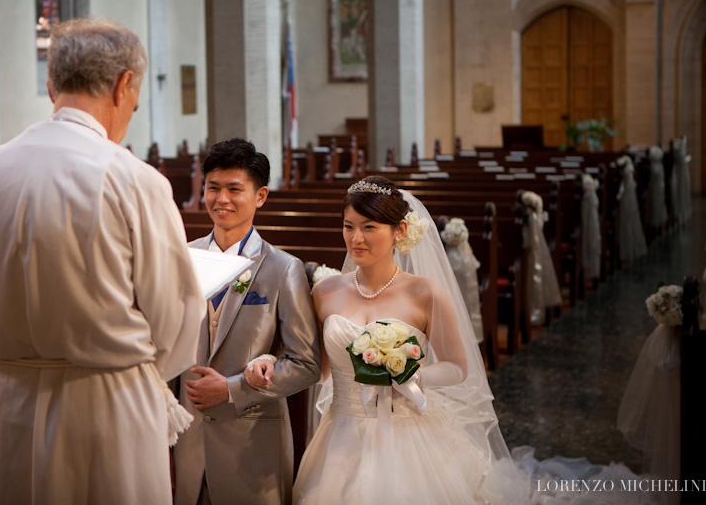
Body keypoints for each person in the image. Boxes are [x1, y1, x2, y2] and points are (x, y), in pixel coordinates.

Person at [0, 17, 204, 505]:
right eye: (133, 101)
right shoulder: (133, 180)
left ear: (52, 87)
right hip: (109, 404)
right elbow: (176, 316)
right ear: (124, 85)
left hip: (8, 399)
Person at [274, 175, 514, 504]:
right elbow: (321, 370)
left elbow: (458, 368)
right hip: (342, 433)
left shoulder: (425, 293)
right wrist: (271, 363)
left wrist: (409, 374)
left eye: (369, 227)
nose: (356, 238)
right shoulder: (324, 292)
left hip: (408, 432)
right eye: (348, 226)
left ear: (399, 231)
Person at [174, 138, 322, 505]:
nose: (221, 198)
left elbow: (306, 364)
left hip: (252, 447)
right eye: (213, 188)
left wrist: (231, 388)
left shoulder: (283, 269)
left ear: (260, 196)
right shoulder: (180, 258)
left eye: (234, 189)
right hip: (188, 439)